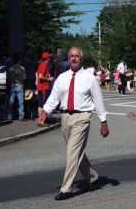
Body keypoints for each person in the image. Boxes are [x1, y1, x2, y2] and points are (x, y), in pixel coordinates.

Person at [38, 46, 109, 201]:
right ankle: (92, 177)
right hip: (66, 118)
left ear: (81, 59)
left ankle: (66, 189)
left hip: (82, 117)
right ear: (68, 59)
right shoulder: (62, 78)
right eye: (71, 56)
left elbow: (98, 100)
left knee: (71, 152)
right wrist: (45, 110)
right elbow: (54, 97)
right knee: (76, 152)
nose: (74, 58)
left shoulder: (90, 78)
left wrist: (104, 121)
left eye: (77, 56)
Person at [7, 53, 26, 121]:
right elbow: (24, 78)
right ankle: (21, 116)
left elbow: (8, 78)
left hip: (12, 86)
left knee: (11, 102)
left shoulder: (10, 69)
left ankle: (9, 116)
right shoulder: (22, 68)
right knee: (20, 103)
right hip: (20, 86)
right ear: (19, 60)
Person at [36, 52, 54, 124]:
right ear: (47, 58)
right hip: (43, 88)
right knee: (43, 104)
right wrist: (49, 79)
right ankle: (41, 120)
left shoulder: (43, 65)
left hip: (43, 87)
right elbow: (40, 77)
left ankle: (42, 119)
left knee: (42, 104)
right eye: (49, 57)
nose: (50, 58)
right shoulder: (44, 65)